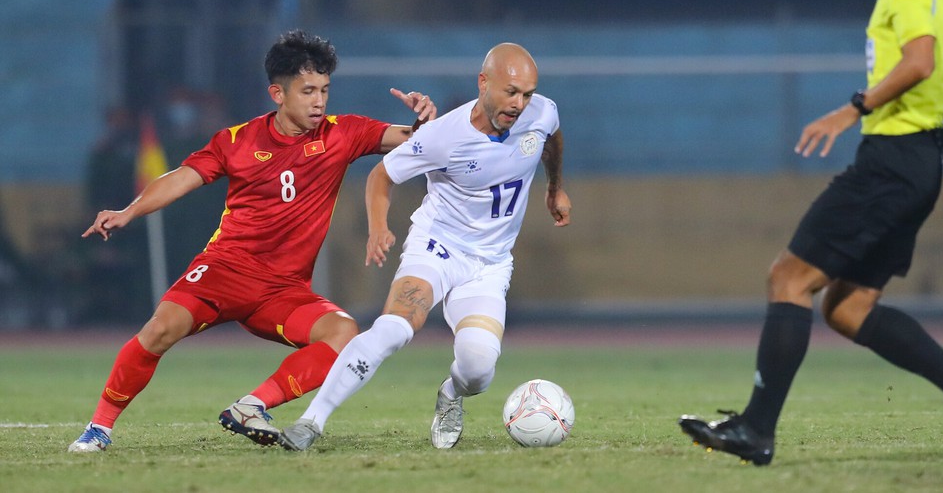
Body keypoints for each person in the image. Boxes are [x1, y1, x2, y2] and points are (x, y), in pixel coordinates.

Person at [679, 0, 943, 465]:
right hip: (921, 164)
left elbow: (920, 59)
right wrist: (942, 124)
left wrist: (853, 108)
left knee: (788, 279)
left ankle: (756, 429)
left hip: (889, 162)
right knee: (848, 309)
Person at [68, 29, 437, 452]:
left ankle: (252, 405)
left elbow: (414, 141)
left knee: (343, 334)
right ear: (277, 94)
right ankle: (99, 428)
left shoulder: (344, 133)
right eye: (308, 91)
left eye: (325, 90)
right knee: (159, 330)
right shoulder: (237, 141)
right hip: (225, 271)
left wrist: (424, 122)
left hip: (283, 290)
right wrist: (129, 211)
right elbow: (181, 179)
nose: (319, 101)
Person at [276, 42, 572, 451]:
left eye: (527, 94)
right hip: (437, 246)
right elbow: (381, 175)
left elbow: (551, 140)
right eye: (510, 92)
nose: (520, 104)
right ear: (483, 83)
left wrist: (554, 189)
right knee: (392, 330)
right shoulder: (442, 136)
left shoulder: (542, 111)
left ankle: (450, 394)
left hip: (489, 264)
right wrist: (378, 227)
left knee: (478, 370)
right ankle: (311, 422)